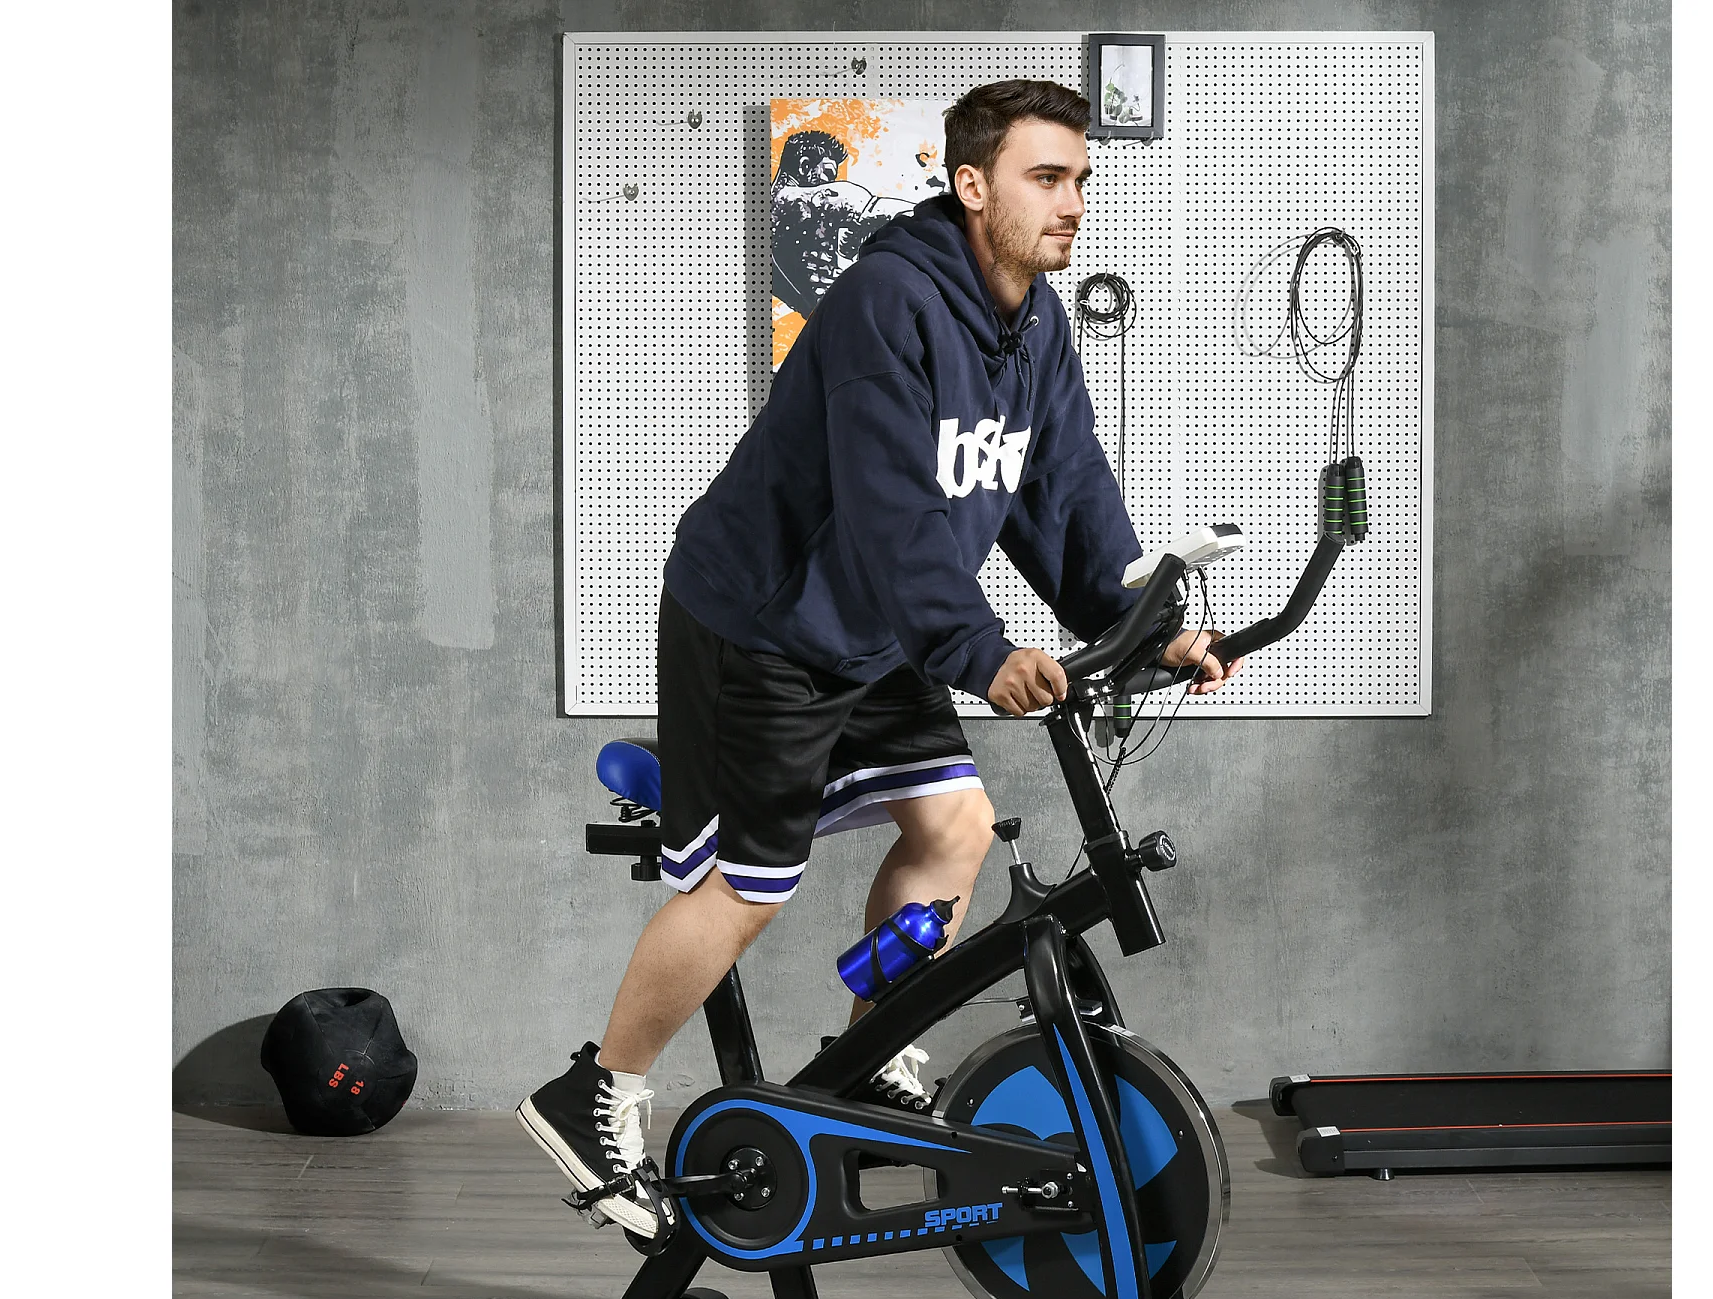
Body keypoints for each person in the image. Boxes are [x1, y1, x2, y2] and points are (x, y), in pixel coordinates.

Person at [518, 79, 1239, 1237]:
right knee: (749, 886)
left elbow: (1064, 495)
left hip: (875, 623)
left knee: (953, 829)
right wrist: (977, 650)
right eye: (1044, 178)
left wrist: (1148, 627)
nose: (1071, 203)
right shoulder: (884, 302)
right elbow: (886, 508)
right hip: (761, 622)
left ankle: (866, 1055)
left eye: (1079, 179)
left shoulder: (1034, 325)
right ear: (972, 185)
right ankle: (594, 1092)